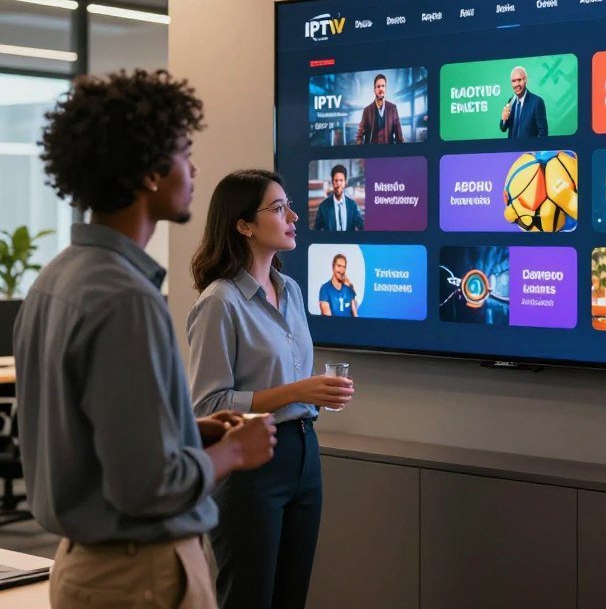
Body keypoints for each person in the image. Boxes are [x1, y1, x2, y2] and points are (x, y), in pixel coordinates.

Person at [13, 69, 277, 609]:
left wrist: (188, 428)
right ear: (150, 173)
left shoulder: (56, 278)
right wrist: (231, 453)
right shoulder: (127, 298)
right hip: (141, 576)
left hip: (86, 565)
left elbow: (90, 437)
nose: (194, 167)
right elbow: (146, 487)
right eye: (183, 151)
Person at [187, 169, 355, 609]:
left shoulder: (292, 290)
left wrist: (309, 392)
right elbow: (208, 405)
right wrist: (298, 390)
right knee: (248, 599)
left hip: (304, 454)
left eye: (290, 205)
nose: (294, 216)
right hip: (250, 466)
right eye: (279, 209)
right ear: (243, 225)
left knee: (290, 598)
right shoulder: (219, 302)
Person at [499, 66, 548, 137]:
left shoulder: (537, 102)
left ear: (525, 80)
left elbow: (543, 133)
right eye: (513, 81)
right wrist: (504, 119)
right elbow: (503, 128)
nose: (516, 84)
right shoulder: (511, 101)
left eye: (519, 80)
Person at [356, 73, 404, 144]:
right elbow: (359, 136)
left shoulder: (392, 108)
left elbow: (399, 136)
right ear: (374, 89)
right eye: (378, 86)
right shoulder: (367, 110)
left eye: (383, 86)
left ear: (385, 88)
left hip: (388, 152)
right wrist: (362, 153)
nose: (381, 89)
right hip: (371, 152)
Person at [314, 163, 364, 231]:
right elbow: (316, 231)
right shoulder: (323, 207)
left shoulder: (352, 205)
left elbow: (362, 226)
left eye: (341, 180)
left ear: (345, 182)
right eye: (336, 181)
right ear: (332, 182)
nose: (339, 184)